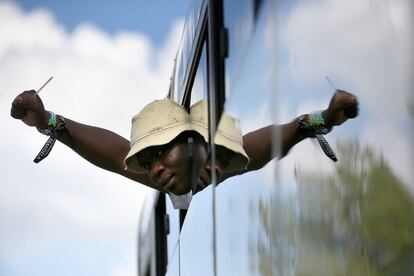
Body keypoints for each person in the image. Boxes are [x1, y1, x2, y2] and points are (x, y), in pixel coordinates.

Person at [10, 89, 359, 196]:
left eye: (158, 154)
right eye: (147, 163)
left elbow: (264, 143)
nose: (154, 171)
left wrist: (324, 119)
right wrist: (47, 121)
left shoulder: (214, 160)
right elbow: (117, 155)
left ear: (197, 144)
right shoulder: (192, 170)